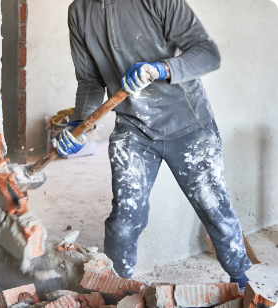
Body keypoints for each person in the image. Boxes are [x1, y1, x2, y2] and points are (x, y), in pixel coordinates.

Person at [51, 0, 251, 292]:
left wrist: (160, 69)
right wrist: (79, 124)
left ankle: (241, 282)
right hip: (133, 129)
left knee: (214, 210)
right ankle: (113, 291)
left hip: (189, 124)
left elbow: (208, 55)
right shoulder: (79, 11)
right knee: (124, 220)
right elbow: (90, 80)